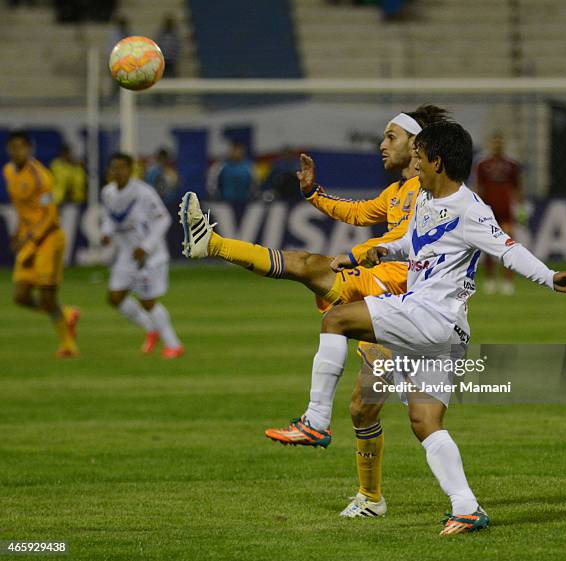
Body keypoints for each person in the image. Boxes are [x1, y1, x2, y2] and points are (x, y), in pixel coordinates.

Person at [267, 121, 566, 535]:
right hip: (445, 331)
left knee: (336, 318)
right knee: (425, 421)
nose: (412, 162)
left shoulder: (471, 209)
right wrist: (376, 252)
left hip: (430, 315)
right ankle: (467, 507)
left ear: (437, 160)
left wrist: (550, 276)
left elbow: (509, 250)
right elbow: (414, 245)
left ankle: (316, 420)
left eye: (419, 156)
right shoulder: (427, 200)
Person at [180, 106, 450, 517]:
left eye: (390, 137)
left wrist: (357, 254)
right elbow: (359, 213)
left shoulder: (433, 190)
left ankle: (213, 245)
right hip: (385, 297)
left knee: (310, 270)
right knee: (363, 406)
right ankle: (372, 499)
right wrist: (313, 193)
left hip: (405, 294)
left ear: (417, 146)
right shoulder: (397, 193)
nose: (382, 144)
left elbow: (409, 240)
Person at [3, 130, 80, 357]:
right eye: (13, 147)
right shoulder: (8, 172)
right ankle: (67, 314)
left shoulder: (41, 176)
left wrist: (32, 239)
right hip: (29, 239)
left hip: (49, 239)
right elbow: (23, 209)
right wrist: (19, 233)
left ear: (29, 148)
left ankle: (68, 345)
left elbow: (49, 214)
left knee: (47, 297)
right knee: (21, 297)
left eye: (21, 147)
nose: (17, 151)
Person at [101, 153, 183, 359]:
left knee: (148, 301)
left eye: (122, 168)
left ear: (131, 170)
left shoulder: (144, 193)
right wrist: (106, 232)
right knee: (115, 297)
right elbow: (110, 217)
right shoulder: (108, 192)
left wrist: (146, 246)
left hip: (150, 256)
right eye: (114, 168)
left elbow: (163, 219)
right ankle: (150, 328)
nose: (118, 172)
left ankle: (173, 344)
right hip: (127, 255)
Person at [476, 132, 522, 295]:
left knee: (508, 245)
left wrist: (521, 207)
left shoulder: (512, 165)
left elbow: (517, 188)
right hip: (489, 211)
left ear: (504, 144)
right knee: (488, 246)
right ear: (491, 144)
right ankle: (489, 280)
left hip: (506, 210)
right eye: (495, 141)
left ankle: (507, 281)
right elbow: (479, 188)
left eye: (500, 141)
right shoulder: (482, 165)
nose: (497, 144)